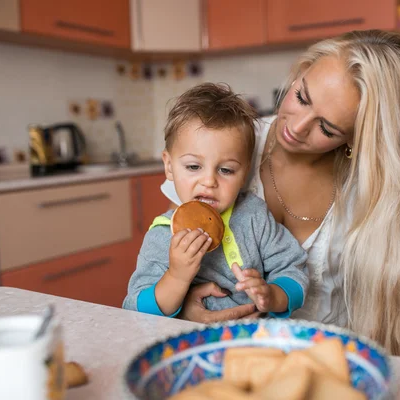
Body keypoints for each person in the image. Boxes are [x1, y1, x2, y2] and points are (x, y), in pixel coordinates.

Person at [161, 30, 400, 356]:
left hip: (327, 356)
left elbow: (396, 323)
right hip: (229, 353)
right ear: (300, 73)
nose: (295, 128)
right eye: (301, 97)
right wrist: (183, 311)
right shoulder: (227, 141)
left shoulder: (375, 189)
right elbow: (171, 244)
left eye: (327, 128)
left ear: (357, 138)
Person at [123, 83, 309, 318]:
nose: (209, 181)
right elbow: (134, 308)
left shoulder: (254, 215)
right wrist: (177, 276)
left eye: (226, 170)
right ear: (169, 166)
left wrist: (273, 295)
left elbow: (294, 268)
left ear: (245, 173)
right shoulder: (163, 234)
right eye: (193, 166)